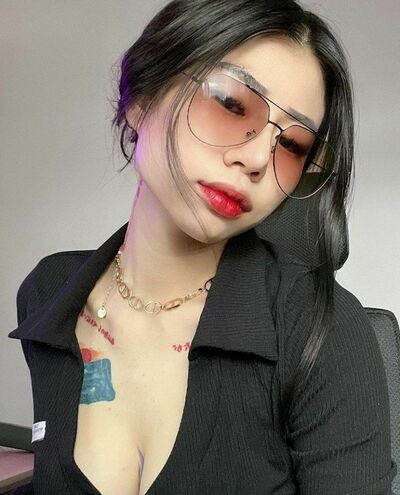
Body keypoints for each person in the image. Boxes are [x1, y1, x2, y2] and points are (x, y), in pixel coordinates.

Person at [7, 0, 396, 494]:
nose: (257, 159)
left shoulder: (324, 329)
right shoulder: (51, 294)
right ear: (142, 97)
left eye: (292, 146)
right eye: (231, 103)